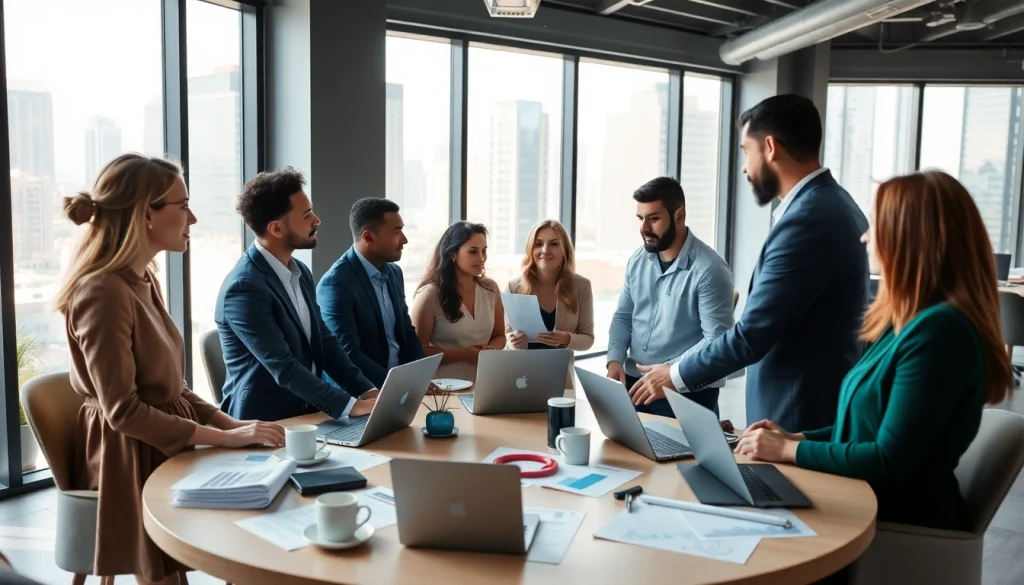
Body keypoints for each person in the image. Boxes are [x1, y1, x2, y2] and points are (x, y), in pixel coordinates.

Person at [735, 169, 1012, 533]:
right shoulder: (907, 322)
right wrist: (795, 438)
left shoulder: (941, 333)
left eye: (876, 226)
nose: (865, 237)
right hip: (864, 504)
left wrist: (787, 452)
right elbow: (863, 428)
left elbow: (888, 459)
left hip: (896, 523)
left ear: (910, 238)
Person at [55, 154, 285, 585]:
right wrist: (221, 437)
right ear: (146, 214)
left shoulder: (141, 278)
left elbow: (171, 389)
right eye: (182, 205)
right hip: (129, 453)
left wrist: (231, 424)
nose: (192, 217)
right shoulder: (102, 291)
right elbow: (123, 412)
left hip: (161, 438)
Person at [630, 95, 869, 433]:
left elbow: (752, 334)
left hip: (797, 411)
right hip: (805, 404)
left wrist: (674, 374)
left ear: (770, 147)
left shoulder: (808, 219)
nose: (744, 167)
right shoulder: (837, 203)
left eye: (746, 151)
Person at [216, 168, 378, 422]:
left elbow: (324, 341)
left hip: (308, 413)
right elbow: (284, 367)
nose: (316, 220)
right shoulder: (244, 288)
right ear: (276, 229)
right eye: (306, 215)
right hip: (267, 423)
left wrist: (367, 390)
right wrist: (350, 406)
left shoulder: (299, 270)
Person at [606, 177, 735, 418]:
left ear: (679, 216)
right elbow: (624, 316)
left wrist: (671, 371)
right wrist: (614, 359)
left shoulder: (710, 269)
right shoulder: (637, 260)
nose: (644, 228)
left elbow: (717, 340)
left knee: (676, 456)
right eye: (640, 218)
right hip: (634, 384)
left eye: (653, 218)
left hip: (685, 388)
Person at [317, 197, 425, 389]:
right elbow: (348, 354)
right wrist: (398, 384)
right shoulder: (336, 283)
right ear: (368, 237)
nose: (404, 240)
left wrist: (418, 377)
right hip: (359, 393)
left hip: (398, 390)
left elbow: (406, 333)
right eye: (397, 231)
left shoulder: (394, 273)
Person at [410, 222, 506, 383]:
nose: (481, 258)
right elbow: (417, 351)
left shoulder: (490, 289)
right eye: (473, 251)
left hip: (485, 382)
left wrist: (490, 350)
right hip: (444, 386)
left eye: (484, 251)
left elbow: (500, 336)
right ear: (453, 254)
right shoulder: (430, 294)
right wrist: (464, 354)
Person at [505, 220, 594, 387]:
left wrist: (567, 339)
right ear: (531, 249)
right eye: (538, 244)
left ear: (565, 250)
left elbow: (588, 339)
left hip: (560, 377)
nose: (545, 250)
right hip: (520, 378)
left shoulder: (582, 286)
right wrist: (514, 343)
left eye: (554, 244)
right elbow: (506, 337)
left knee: (559, 413)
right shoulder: (514, 286)